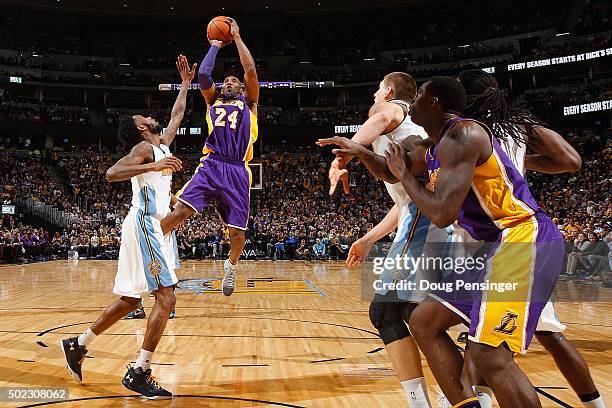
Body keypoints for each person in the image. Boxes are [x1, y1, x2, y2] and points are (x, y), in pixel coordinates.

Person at [321, 76, 564, 408]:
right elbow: (392, 171)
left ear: (435, 104)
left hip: (522, 239)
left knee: (488, 354)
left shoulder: (465, 135)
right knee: (423, 321)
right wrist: (359, 150)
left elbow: (441, 214)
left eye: (420, 95)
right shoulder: (431, 146)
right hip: (492, 247)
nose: (414, 100)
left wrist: (405, 175)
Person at [454, 69, 606, 408]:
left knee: (482, 338)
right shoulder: (517, 125)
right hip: (521, 236)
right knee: (544, 332)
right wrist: (522, 161)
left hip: (499, 239)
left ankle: (478, 400)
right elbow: (571, 160)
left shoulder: (466, 131)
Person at [59, 55, 193, 399]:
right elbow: (112, 173)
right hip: (145, 225)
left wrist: (185, 85)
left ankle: (78, 344)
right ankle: (140, 371)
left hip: (147, 227)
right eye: (142, 117)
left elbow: (177, 114)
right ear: (139, 128)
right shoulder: (143, 148)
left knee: (132, 300)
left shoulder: (160, 143)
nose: (148, 115)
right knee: (166, 296)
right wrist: (154, 164)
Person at [319, 72, 449, 407]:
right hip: (422, 218)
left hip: (425, 224)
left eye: (378, 90)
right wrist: (368, 239)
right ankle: (457, 397)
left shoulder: (396, 110)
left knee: (388, 313)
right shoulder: (411, 134)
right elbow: (403, 204)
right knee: (414, 315)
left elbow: (380, 116)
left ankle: (439, 400)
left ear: (388, 92)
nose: (375, 96)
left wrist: (342, 156)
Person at [160, 18, 259, 296]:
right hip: (212, 164)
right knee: (178, 213)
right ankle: (154, 259)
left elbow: (249, 69)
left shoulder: (250, 103)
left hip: (238, 170)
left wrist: (237, 38)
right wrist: (215, 44)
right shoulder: (212, 100)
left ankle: (231, 266)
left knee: (237, 235)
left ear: (241, 89)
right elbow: (203, 75)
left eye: (233, 81)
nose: (229, 82)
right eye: (225, 80)